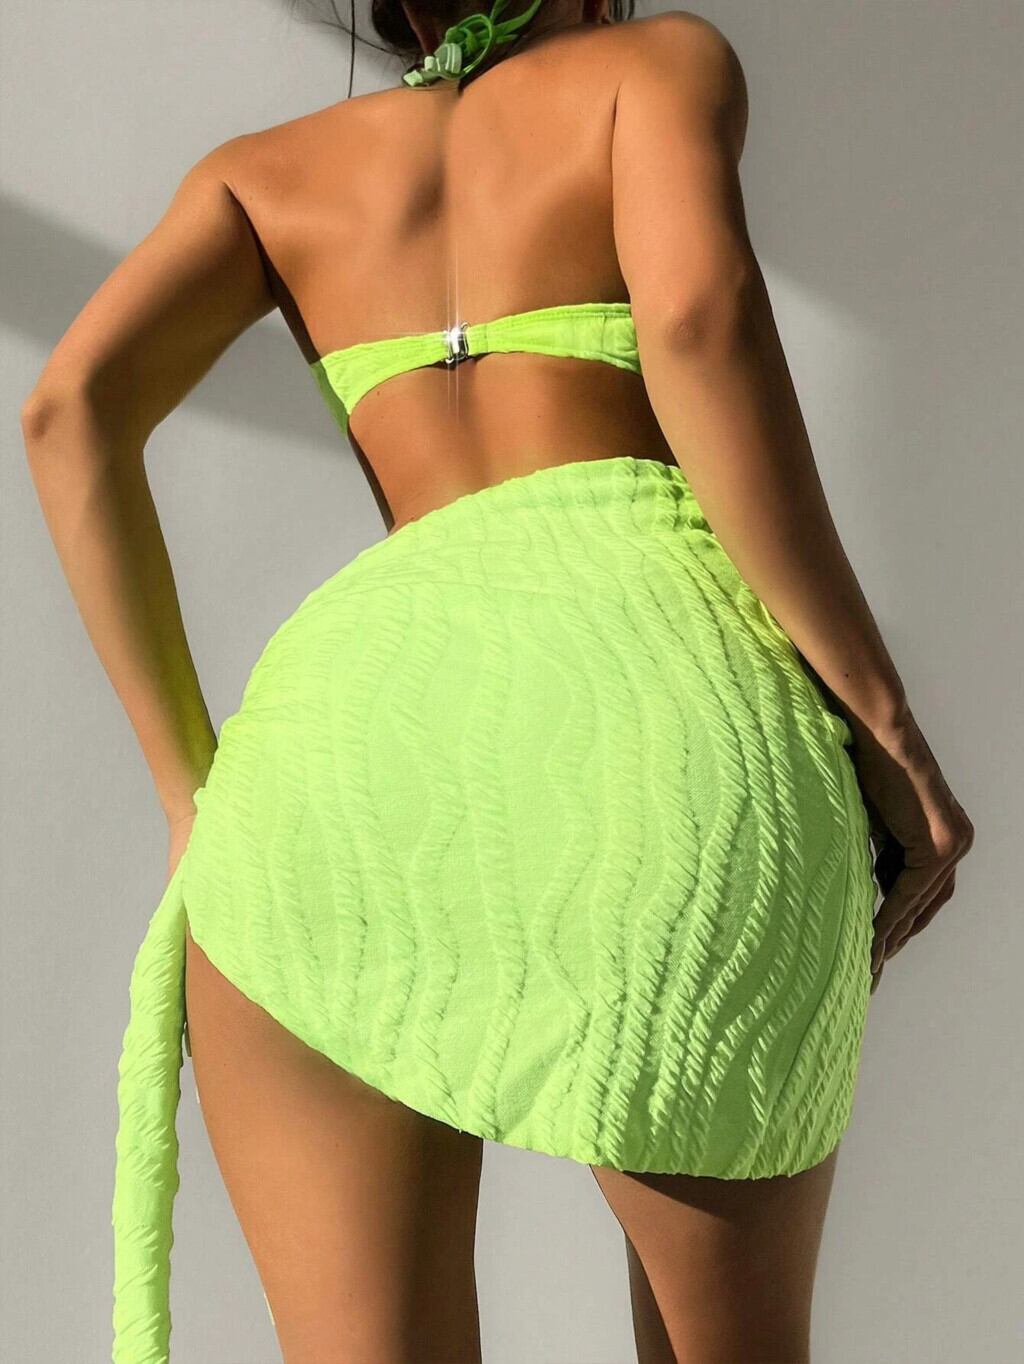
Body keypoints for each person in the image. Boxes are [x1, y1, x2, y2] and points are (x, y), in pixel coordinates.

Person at [20, 2, 974, 1361]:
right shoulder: (655, 66)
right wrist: (886, 728)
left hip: (335, 767)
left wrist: (191, 798)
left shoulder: (257, 175)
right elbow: (697, 324)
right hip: (654, 721)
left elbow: (66, 411)